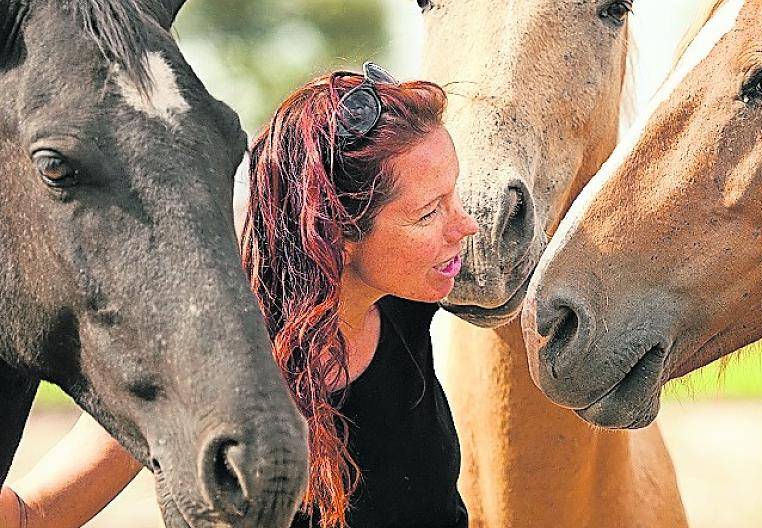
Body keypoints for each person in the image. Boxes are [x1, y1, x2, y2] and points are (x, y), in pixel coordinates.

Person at [0, 63, 479, 528]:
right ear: (336, 230)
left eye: (453, 196)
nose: (465, 226)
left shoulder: (410, 295)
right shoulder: (205, 358)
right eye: (428, 213)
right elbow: (32, 513)